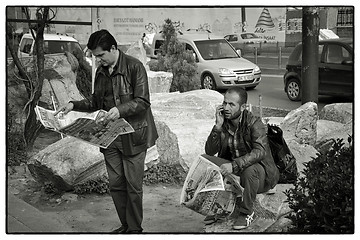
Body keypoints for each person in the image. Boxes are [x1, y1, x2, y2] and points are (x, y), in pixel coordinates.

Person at [54, 29, 158, 233]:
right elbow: (95, 101)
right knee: (116, 184)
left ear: (113, 48)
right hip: (110, 138)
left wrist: (119, 110)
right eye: (94, 56)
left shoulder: (134, 67)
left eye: (101, 55)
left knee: (133, 187)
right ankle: (125, 225)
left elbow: (143, 101)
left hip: (133, 135)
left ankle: (135, 230)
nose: (98, 60)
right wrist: (73, 105)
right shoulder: (101, 71)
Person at [203, 86, 279, 230]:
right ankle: (218, 208)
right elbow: (210, 151)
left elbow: (260, 152)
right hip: (237, 170)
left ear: (243, 107)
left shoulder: (254, 123)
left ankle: (247, 213)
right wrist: (217, 127)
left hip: (261, 173)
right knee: (205, 160)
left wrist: (234, 165)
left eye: (231, 104)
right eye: (225, 103)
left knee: (249, 170)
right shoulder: (224, 122)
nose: (226, 107)